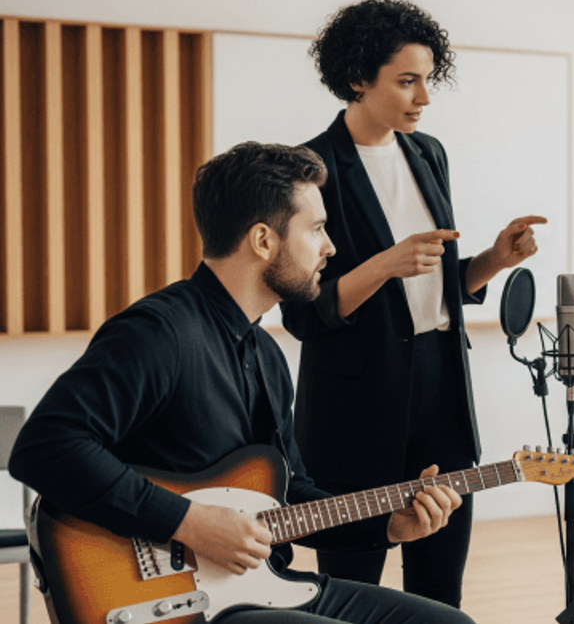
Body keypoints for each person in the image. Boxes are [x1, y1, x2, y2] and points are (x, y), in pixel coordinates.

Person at [9, 143, 474, 624]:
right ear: (262, 240)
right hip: (171, 605)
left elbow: (289, 499)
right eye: (315, 229)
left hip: (264, 587)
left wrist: (390, 525)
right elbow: (45, 447)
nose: (330, 247)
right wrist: (189, 523)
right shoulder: (158, 333)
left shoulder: (267, 356)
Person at [280, 0, 545, 605]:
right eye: (407, 81)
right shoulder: (308, 170)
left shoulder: (429, 154)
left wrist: (492, 262)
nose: (423, 97)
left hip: (441, 397)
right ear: (356, 78)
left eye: (428, 80)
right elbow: (303, 314)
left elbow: (437, 288)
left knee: (438, 595)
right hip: (355, 410)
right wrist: (382, 265)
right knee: (350, 598)